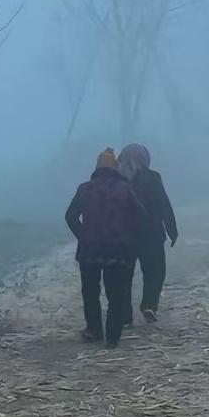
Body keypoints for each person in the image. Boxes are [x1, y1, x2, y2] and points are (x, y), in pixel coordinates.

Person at [64, 148, 141, 346]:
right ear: (115, 167)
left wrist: (83, 236)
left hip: (90, 250)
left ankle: (94, 330)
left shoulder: (85, 188)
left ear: (97, 166)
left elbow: (70, 216)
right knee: (116, 293)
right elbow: (140, 216)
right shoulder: (125, 189)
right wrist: (128, 237)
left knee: (90, 292)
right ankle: (113, 338)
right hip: (118, 249)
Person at [117, 143, 178, 323]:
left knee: (123, 276)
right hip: (151, 234)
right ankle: (149, 305)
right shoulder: (153, 177)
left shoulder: (116, 180)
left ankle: (125, 316)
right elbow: (164, 204)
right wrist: (172, 230)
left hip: (123, 236)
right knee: (155, 271)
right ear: (145, 159)